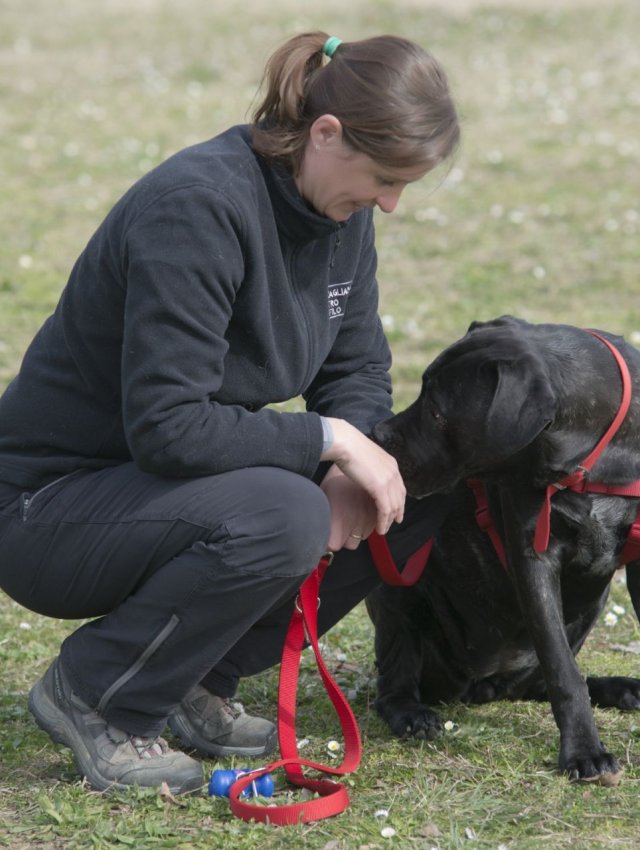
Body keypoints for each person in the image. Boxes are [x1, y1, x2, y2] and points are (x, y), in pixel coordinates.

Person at [0, 31, 459, 794]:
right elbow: (169, 425)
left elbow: (356, 364)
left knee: (404, 487)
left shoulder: (341, 213)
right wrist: (330, 439)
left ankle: (193, 678)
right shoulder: (199, 207)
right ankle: (99, 693)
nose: (390, 202)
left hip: (157, 489)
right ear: (324, 134)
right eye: (384, 177)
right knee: (282, 513)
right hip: (47, 508)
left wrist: (354, 461)